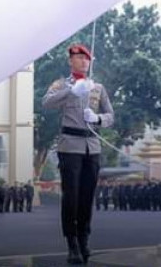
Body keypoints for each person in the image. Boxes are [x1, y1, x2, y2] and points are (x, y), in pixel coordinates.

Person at [42, 44, 113, 264]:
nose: (83, 61)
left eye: (86, 58)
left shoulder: (98, 88)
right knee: (70, 198)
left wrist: (98, 119)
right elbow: (46, 103)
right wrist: (71, 91)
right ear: (70, 61)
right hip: (70, 146)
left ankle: (84, 239)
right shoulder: (61, 84)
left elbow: (111, 115)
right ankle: (71, 243)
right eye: (79, 58)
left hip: (92, 146)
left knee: (86, 197)